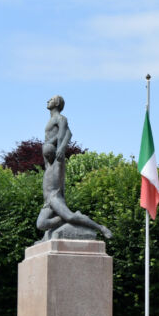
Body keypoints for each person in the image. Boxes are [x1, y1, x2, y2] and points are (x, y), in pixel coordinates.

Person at [36, 96, 111, 240]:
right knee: (41, 224)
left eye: (51, 99)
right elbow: (67, 133)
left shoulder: (61, 120)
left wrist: (61, 148)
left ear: (57, 103)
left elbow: (66, 134)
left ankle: (100, 228)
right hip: (48, 201)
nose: (47, 101)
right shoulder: (48, 166)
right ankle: (65, 219)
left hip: (54, 197)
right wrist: (50, 143)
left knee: (70, 216)